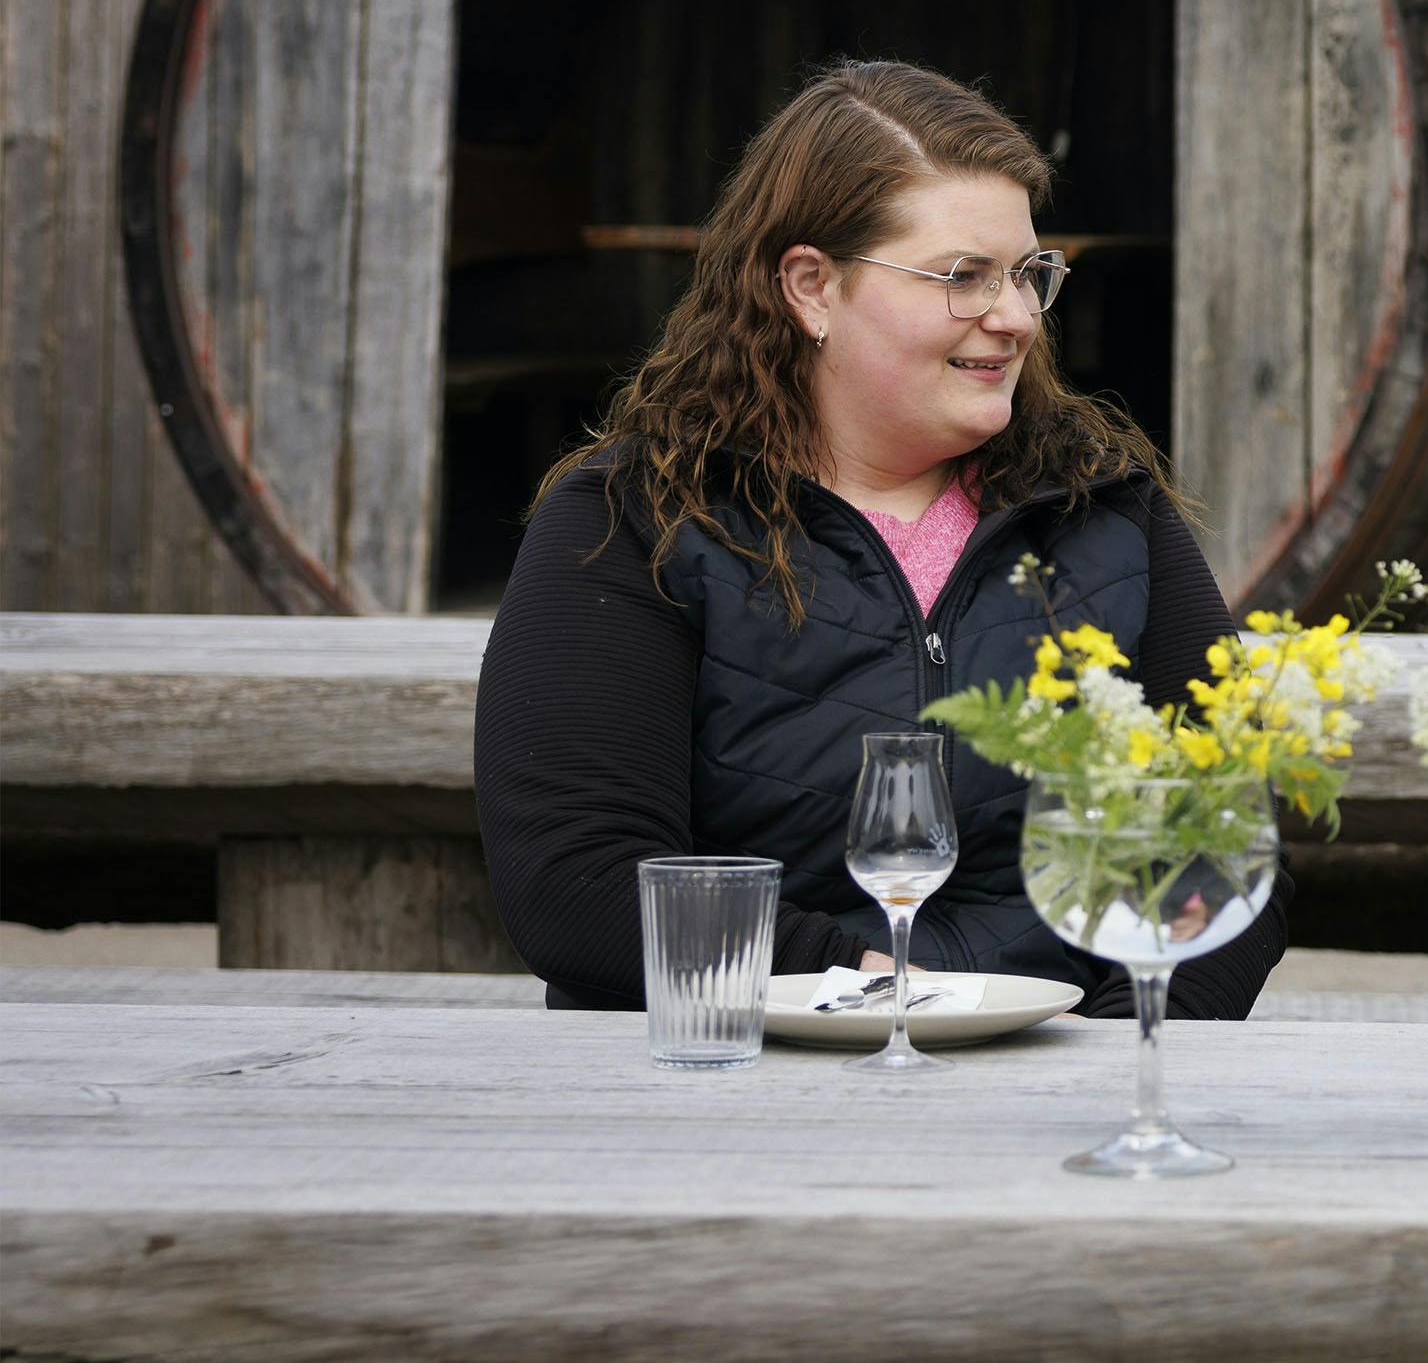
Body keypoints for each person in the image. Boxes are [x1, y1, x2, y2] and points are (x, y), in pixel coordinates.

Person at [475, 60, 1283, 1018]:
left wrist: (1106, 1060)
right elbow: (581, 884)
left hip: (1063, 1082)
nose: (1018, 317)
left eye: (1029, 274)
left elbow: (1225, 848)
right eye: (962, 277)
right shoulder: (637, 517)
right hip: (733, 1091)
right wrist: (882, 991)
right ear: (812, 287)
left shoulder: (1105, 509)